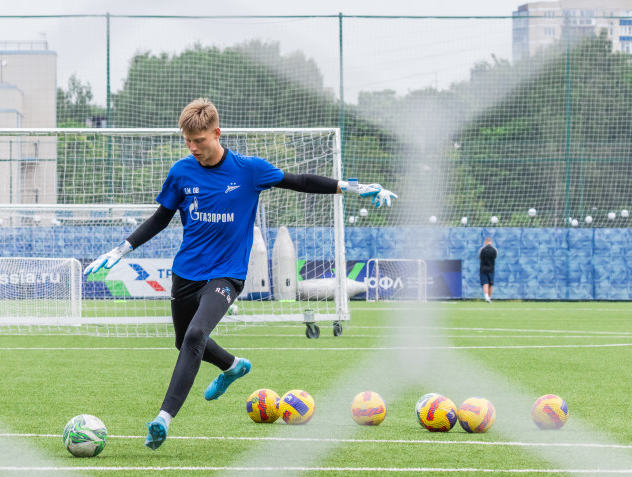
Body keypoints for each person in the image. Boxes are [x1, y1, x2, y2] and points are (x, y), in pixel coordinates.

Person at [83, 98, 397, 451]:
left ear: (216, 133)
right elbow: (161, 217)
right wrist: (120, 250)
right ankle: (232, 366)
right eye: (187, 141)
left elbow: (300, 180)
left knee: (196, 334)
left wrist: (353, 187)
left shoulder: (249, 170)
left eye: (199, 140)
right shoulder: (182, 172)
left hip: (227, 274)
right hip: (186, 273)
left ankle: (163, 419)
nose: (193, 148)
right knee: (184, 341)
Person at [478, 236, 498, 303]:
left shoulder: (482, 249)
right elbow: (495, 257)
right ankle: (489, 298)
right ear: (491, 242)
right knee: (490, 284)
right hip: (491, 269)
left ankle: (486, 298)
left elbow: (479, 257)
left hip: (483, 268)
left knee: (485, 283)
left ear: (485, 242)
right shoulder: (494, 249)